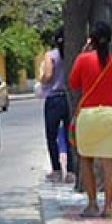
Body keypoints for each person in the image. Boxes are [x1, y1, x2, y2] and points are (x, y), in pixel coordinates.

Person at [68, 21, 112, 217]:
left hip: (88, 115)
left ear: (91, 40)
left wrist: (82, 53)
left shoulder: (83, 60)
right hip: (110, 115)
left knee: (85, 160)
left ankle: (92, 203)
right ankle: (109, 207)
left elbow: (73, 83)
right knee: (109, 164)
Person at [40, 27, 77, 185]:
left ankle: (56, 170)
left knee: (51, 135)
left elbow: (48, 76)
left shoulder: (50, 55)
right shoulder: (72, 55)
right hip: (69, 98)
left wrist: (41, 78)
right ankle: (71, 171)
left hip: (54, 99)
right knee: (70, 136)